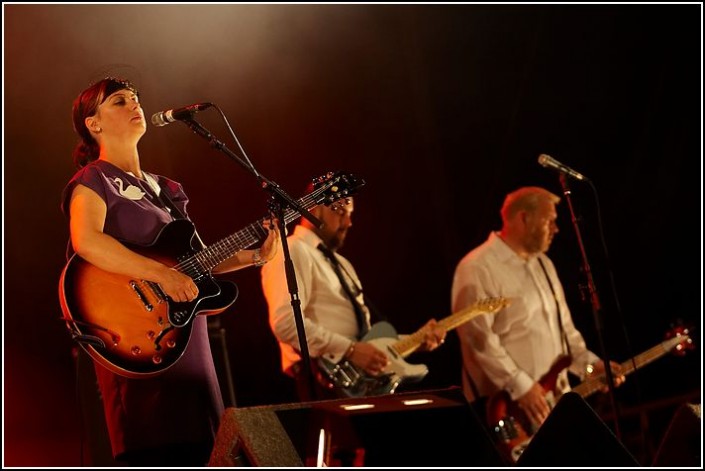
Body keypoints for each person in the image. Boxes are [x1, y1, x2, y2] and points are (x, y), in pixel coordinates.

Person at [60, 77, 279, 466]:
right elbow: (87, 242)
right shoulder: (94, 179)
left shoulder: (165, 189)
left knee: (209, 447)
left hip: (187, 339)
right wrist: (161, 277)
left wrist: (254, 256)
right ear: (93, 124)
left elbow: (192, 262)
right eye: (120, 102)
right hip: (135, 336)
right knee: (161, 446)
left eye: (136, 99)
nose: (135, 105)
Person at [451, 186, 625, 431]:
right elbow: (478, 340)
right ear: (524, 217)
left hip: (554, 407)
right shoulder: (477, 266)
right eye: (549, 221)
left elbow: (566, 332)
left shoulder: (544, 264)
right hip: (508, 415)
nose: (556, 228)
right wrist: (521, 386)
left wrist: (590, 366)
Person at [260, 192, 446, 401]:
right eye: (340, 212)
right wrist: (349, 350)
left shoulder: (341, 263)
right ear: (314, 208)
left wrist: (416, 340)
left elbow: (366, 342)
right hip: (322, 380)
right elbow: (286, 323)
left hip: (358, 383)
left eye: (350, 214)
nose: (348, 222)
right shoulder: (292, 249)